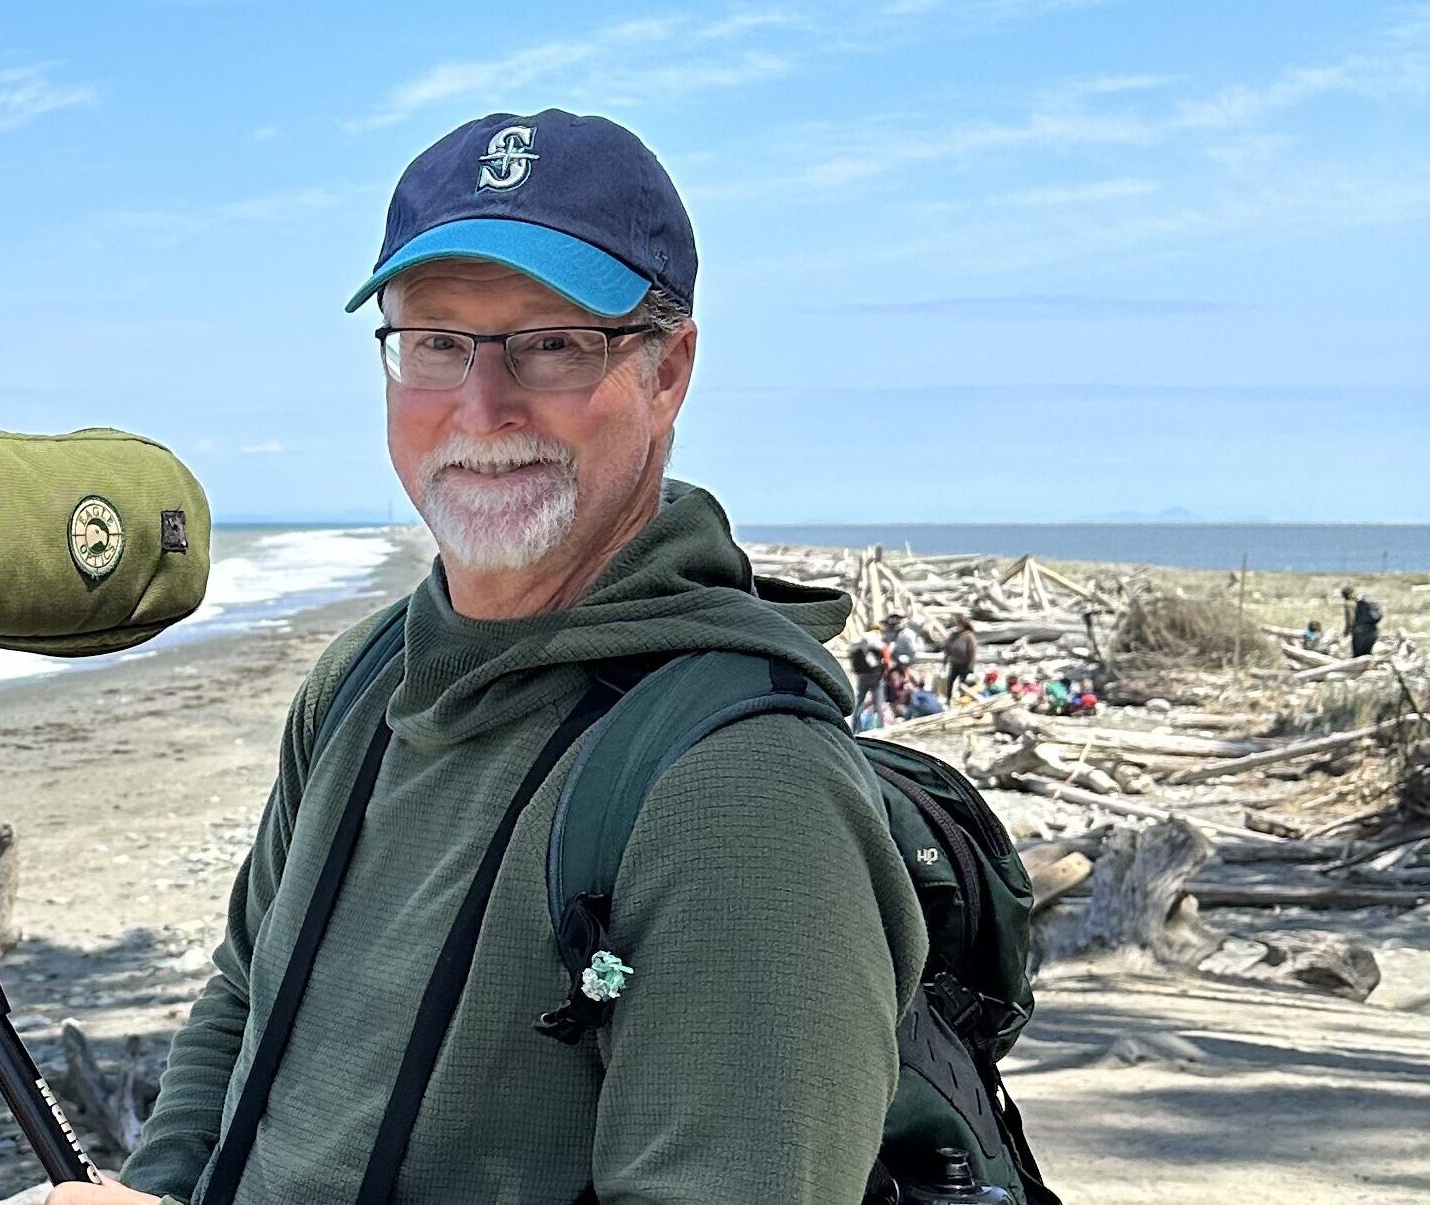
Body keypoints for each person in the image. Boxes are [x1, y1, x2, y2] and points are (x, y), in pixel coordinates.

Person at [57, 109, 926, 1205]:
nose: (482, 404)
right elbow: (246, 990)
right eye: (436, 342)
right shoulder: (364, 679)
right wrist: (157, 1185)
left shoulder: (744, 790)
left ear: (669, 371)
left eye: (553, 341)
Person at [941, 614, 979, 699]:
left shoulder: (969, 636)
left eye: (958, 624)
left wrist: (971, 667)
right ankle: (948, 699)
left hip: (964, 665)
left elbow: (972, 652)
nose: (956, 626)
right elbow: (947, 648)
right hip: (954, 663)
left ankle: (963, 700)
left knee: (963, 684)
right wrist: (945, 660)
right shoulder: (953, 635)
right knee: (949, 682)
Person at [1342, 586, 1383, 658]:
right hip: (1371, 630)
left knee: (1358, 655)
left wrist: (1347, 630)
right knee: (1368, 654)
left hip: (1359, 632)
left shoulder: (1349, 604)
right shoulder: (1363, 600)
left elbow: (1350, 620)